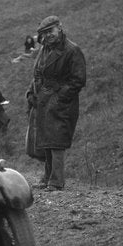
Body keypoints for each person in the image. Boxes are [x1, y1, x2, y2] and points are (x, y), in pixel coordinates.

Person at [26, 16, 86, 191]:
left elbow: (78, 80)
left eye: (50, 31)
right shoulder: (45, 49)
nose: (48, 36)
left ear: (60, 28)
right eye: (44, 33)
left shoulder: (72, 50)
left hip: (62, 103)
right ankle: (47, 177)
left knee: (57, 141)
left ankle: (57, 181)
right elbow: (38, 74)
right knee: (47, 140)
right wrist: (31, 92)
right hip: (44, 101)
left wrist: (60, 96)